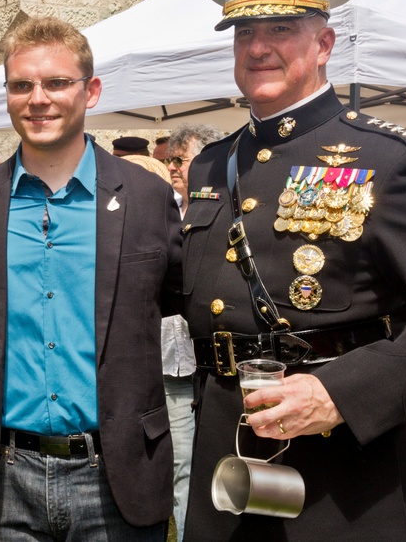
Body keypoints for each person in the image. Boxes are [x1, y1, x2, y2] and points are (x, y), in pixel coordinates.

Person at [180, 0, 406, 540]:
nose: (259, 46)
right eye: (244, 30)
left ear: (323, 45)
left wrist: (337, 394)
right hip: (225, 451)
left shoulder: (390, 160)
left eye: (281, 28)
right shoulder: (213, 165)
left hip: (341, 472)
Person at [0, 16, 182, 541]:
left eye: (56, 83)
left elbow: (171, 299)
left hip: (115, 472)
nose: (38, 99)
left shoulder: (146, 198)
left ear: (91, 90)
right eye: (21, 85)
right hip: (5, 473)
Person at [159, 123, 223, 541]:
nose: (172, 168)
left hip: (209, 369)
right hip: (167, 363)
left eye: (179, 160)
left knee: (198, 469)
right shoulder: (165, 210)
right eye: (170, 160)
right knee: (180, 466)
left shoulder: (221, 212)